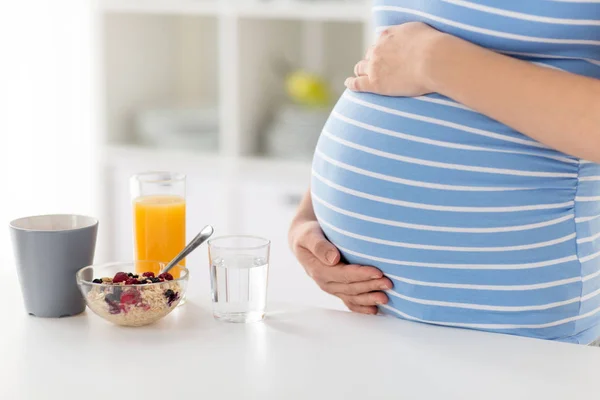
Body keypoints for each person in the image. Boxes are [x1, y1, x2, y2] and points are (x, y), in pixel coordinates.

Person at [288, 0, 600, 345]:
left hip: (515, 322)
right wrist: (309, 215)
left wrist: (432, 58)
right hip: (382, 312)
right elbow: (389, 60)